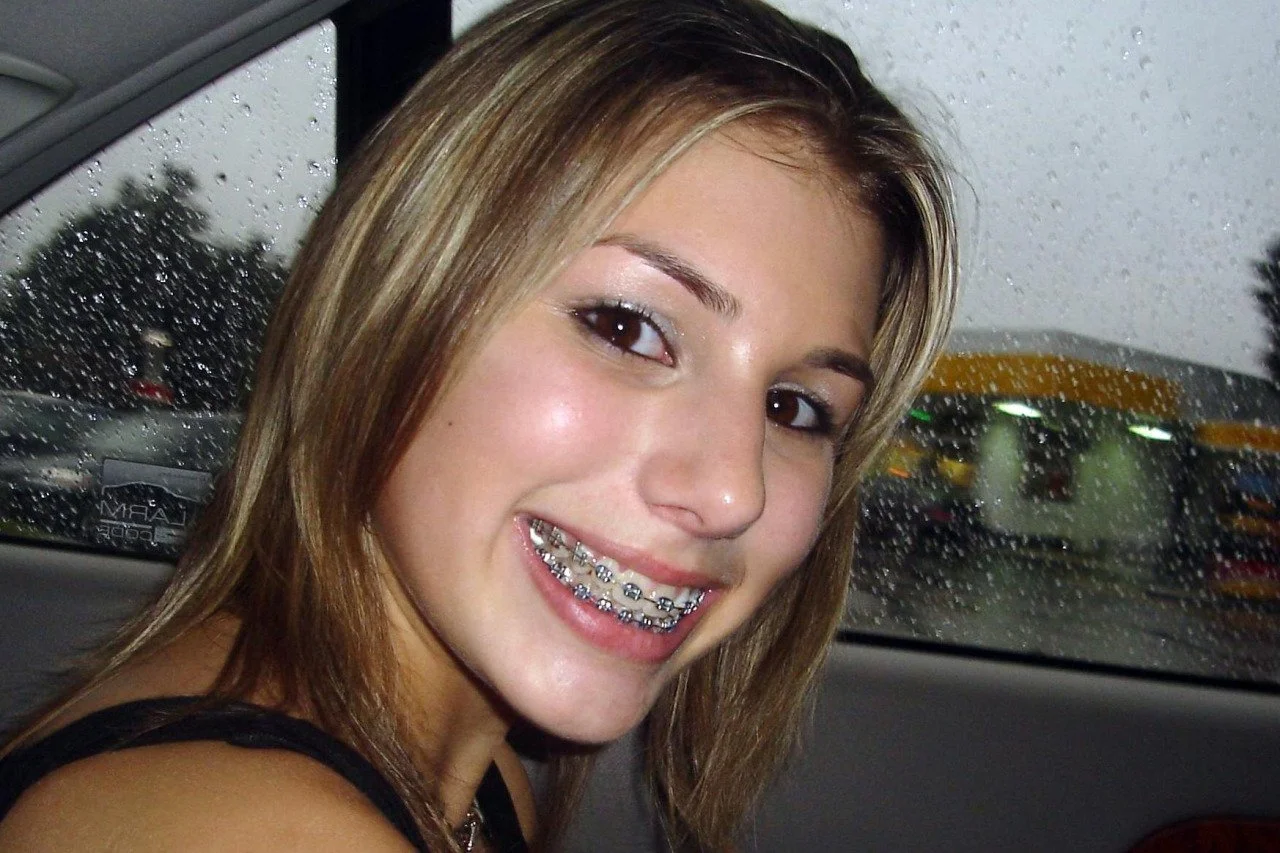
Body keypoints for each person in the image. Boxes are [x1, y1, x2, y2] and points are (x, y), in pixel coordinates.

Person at [0, 0, 957, 849]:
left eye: (796, 407)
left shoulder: (474, 775)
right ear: (391, 306)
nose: (732, 490)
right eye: (627, 328)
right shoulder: (266, 829)